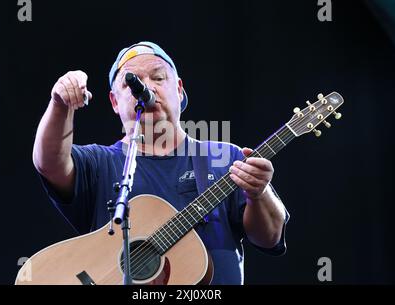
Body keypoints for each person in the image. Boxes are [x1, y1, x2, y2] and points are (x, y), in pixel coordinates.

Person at [32, 41, 289, 285]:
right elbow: (49, 163)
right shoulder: (99, 163)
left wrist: (259, 193)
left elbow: (270, 238)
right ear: (114, 101)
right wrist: (60, 104)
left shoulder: (225, 158)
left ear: (179, 89)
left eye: (158, 77)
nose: (147, 87)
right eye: (132, 82)